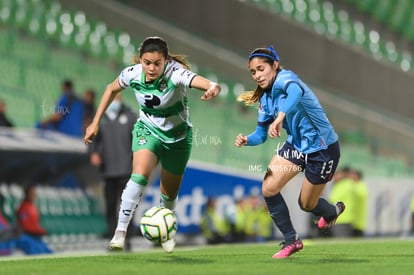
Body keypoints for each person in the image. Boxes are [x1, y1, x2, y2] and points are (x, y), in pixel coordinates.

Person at [84, 36, 221, 252]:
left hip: (178, 138)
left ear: (166, 61)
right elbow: (111, 89)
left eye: (157, 63)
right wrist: (95, 122)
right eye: (147, 63)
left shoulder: (175, 73)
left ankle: (166, 231)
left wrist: (212, 87)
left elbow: (201, 81)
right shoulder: (132, 73)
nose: (151, 68)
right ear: (140, 60)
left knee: (169, 195)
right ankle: (120, 233)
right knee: (138, 176)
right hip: (148, 131)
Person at [234, 46, 344, 258]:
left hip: (322, 149)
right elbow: (261, 134)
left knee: (306, 204)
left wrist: (281, 115)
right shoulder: (265, 100)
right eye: (253, 72)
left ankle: (331, 211)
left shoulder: (286, 79)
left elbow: (296, 92)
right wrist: (248, 139)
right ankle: (291, 240)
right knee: (269, 187)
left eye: (261, 69)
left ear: (274, 66)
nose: (257, 75)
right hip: (296, 147)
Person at [88, 93, 138, 250]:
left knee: (127, 206)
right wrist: (93, 152)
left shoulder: (130, 116)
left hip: (126, 170)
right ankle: (113, 240)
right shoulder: (100, 117)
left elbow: (138, 139)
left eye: (116, 99)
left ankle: (127, 240)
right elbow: (92, 139)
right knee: (110, 207)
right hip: (108, 170)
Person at [16, 186, 53, 253]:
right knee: (40, 252)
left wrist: (40, 230)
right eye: (32, 193)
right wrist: (39, 231)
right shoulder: (23, 208)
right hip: (27, 236)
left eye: (35, 193)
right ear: (27, 194)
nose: (35, 195)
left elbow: (35, 224)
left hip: (36, 236)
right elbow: (25, 226)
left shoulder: (33, 207)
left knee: (49, 252)